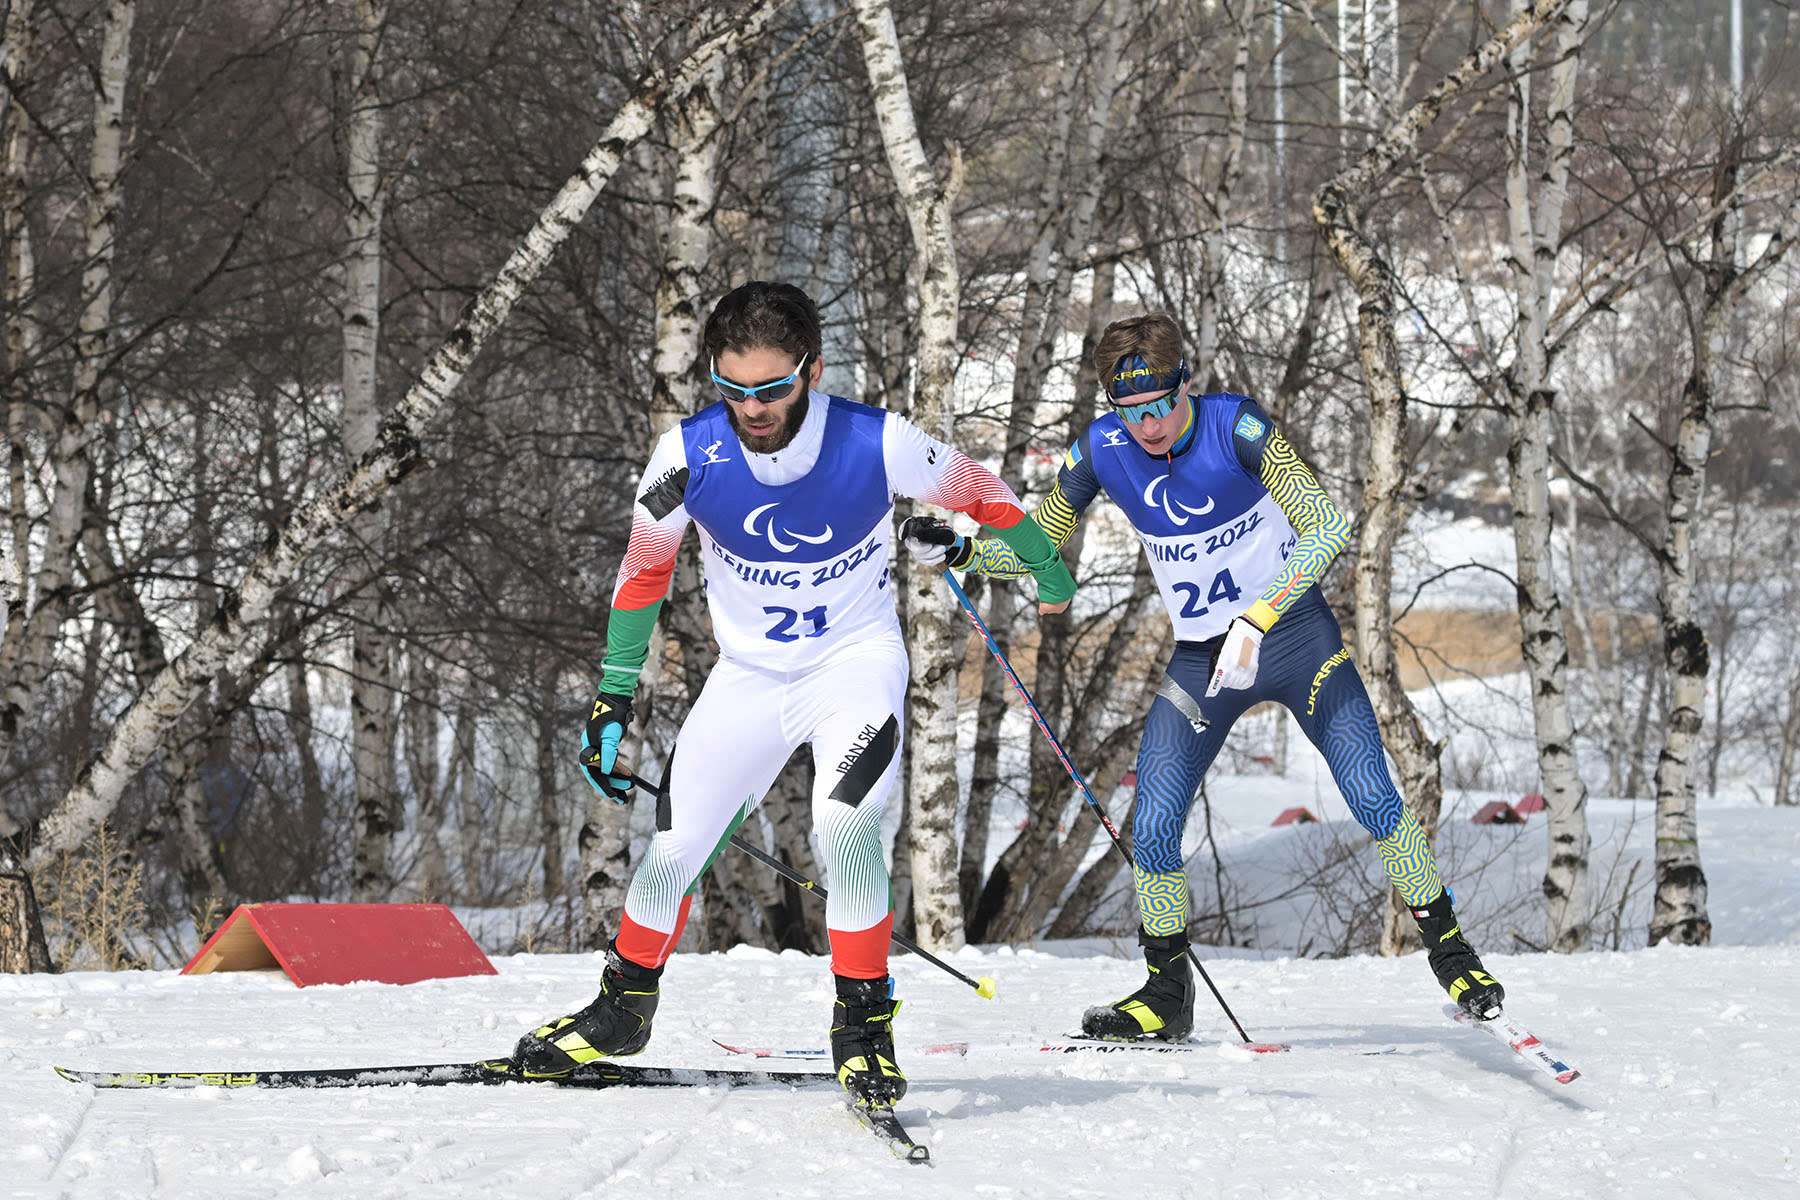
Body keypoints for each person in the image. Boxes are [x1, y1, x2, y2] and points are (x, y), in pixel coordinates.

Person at [512, 281, 1076, 1105]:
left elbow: (982, 491)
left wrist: (1048, 569)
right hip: (748, 677)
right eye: (732, 387)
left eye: (772, 388)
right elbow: (642, 575)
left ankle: (862, 1029)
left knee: (844, 825)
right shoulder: (686, 456)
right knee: (674, 844)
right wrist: (612, 699)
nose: (752, 408)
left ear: (810, 370)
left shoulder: (874, 441)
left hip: (853, 666)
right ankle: (622, 1009)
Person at [900, 313, 1503, 1041]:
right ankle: (1166, 994)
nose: (1149, 426)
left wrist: (1259, 617)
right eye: (1132, 412)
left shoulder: (1235, 427)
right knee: (1150, 824)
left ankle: (1453, 954)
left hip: (1296, 640)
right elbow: (1040, 549)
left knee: (1372, 793)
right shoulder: (1101, 450)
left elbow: (1326, 525)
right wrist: (961, 554)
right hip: (1202, 663)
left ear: (1187, 383)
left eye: (1161, 406)